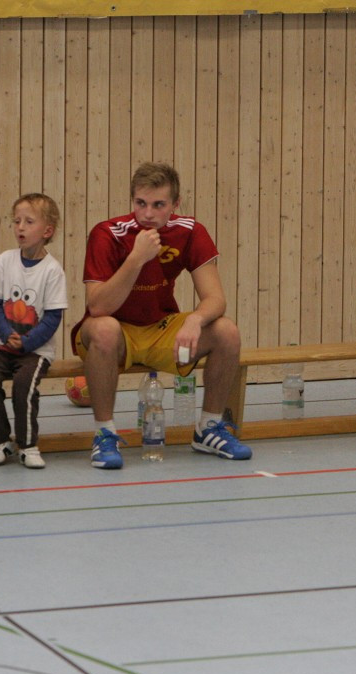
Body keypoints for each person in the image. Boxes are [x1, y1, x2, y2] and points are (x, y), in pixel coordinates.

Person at [72, 162, 252, 469]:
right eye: (140, 204)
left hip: (161, 327)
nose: (148, 214)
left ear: (175, 205)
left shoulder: (189, 231)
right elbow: (98, 306)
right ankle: (104, 434)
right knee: (102, 328)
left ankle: (208, 428)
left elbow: (215, 299)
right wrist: (136, 259)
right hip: (118, 331)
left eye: (158, 205)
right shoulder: (108, 234)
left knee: (226, 331)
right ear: (132, 201)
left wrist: (195, 319)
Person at [0, 193, 67, 470]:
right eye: (16, 221)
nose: (20, 227)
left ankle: (28, 445)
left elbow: (52, 317)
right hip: (2, 345)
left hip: (35, 351)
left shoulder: (52, 271)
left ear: (47, 231)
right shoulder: (5, 261)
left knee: (24, 385)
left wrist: (26, 342)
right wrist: (6, 335)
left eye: (29, 222)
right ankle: (0, 442)